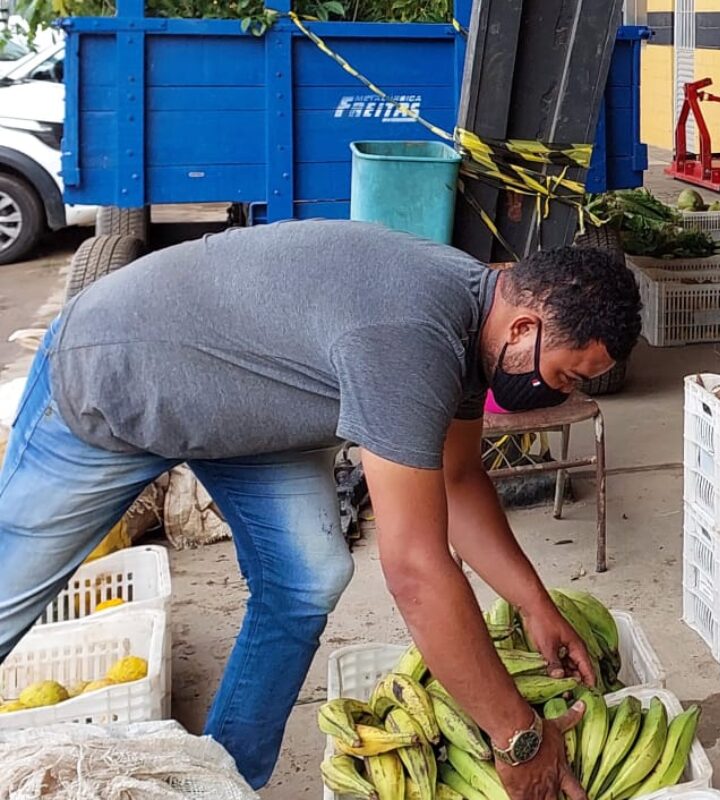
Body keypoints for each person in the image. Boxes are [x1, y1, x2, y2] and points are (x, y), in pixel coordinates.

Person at [0, 221, 642, 800]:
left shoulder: (481, 320)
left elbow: (459, 477)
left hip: (236, 408)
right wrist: (517, 737)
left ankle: (222, 777)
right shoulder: (411, 340)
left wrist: (534, 604)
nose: (559, 392)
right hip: (111, 378)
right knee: (9, 593)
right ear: (525, 328)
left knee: (309, 577)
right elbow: (416, 572)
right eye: (565, 376)